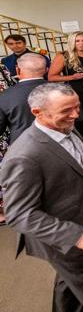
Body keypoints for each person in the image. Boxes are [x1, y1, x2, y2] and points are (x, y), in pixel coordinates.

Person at [0, 83, 83, 312]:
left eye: (77, 107)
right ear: (38, 112)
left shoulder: (64, 126)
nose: (76, 115)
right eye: (67, 110)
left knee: (69, 280)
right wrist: (74, 235)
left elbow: (70, 157)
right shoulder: (25, 155)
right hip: (61, 234)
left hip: (79, 219)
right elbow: (19, 214)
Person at [48, 31, 83, 148]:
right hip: (76, 94)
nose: (81, 43)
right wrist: (71, 77)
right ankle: (80, 150)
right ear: (72, 42)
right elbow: (51, 77)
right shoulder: (64, 56)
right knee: (80, 123)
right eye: (77, 41)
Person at [0, 53, 48, 144]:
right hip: (60, 145)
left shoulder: (5, 96)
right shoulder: (65, 90)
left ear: (17, 70)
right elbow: (79, 118)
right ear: (46, 70)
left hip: (22, 146)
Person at [0, 64, 13, 225]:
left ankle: (9, 205)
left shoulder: (2, 68)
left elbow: (10, 89)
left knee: (7, 166)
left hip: (4, 124)